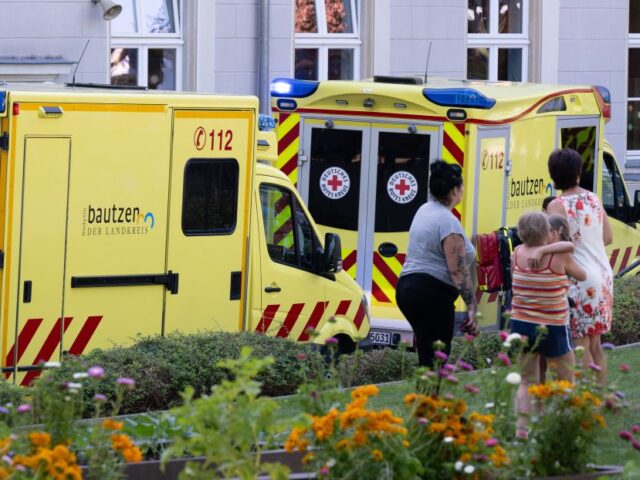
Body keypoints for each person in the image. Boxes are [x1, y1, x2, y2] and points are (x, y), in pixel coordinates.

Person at [510, 212, 586, 439]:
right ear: (545, 231)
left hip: (521, 324)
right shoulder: (559, 257)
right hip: (552, 325)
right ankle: (564, 430)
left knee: (526, 381)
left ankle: (521, 431)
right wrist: (548, 252)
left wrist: (542, 249)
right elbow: (581, 275)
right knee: (565, 382)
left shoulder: (516, 253)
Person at [396, 160, 477, 367]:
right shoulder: (447, 221)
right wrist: (471, 305)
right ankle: (430, 398)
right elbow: (457, 269)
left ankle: (425, 396)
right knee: (437, 356)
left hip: (408, 288)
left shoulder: (424, 210)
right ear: (454, 191)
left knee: (427, 353)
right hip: (431, 294)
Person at [545, 148, 613, 384]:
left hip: (579, 279)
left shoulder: (556, 205)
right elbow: (608, 237)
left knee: (580, 343)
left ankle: (584, 400)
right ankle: (599, 395)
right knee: (595, 344)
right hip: (603, 276)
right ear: (577, 173)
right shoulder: (593, 198)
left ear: (554, 175)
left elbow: (554, 244)